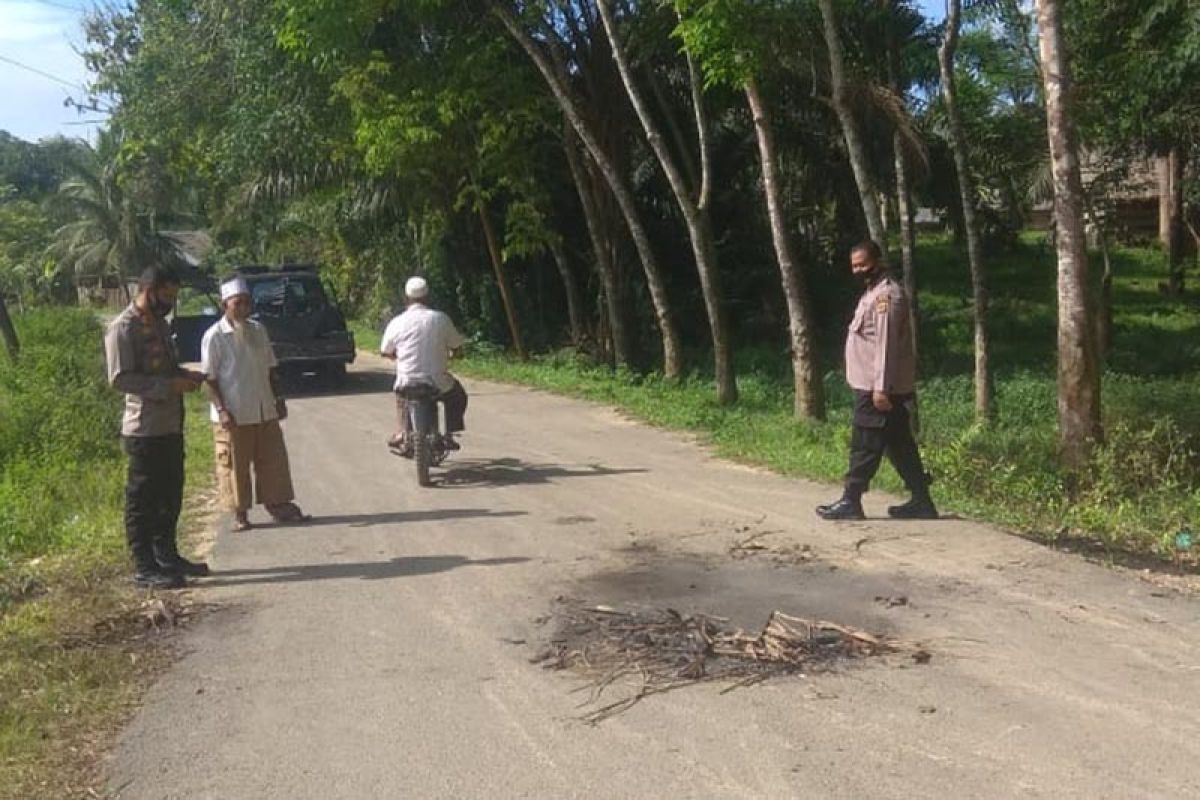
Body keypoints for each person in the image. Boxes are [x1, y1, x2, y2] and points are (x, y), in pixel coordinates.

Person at [104, 265, 209, 589]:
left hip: (170, 425)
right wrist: (168, 386)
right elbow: (120, 378)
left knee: (170, 493)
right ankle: (144, 566)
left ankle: (167, 555)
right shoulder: (122, 328)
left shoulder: (160, 325)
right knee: (143, 499)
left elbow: (165, 367)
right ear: (148, 289)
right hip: (144, 429)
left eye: (174, 297)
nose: (169, 302)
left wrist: (185, 375)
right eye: (166, 295)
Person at [816, 241, 938, 521]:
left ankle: (851, 500)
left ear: (878, 261)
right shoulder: (872, 293)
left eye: (863, 264)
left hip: (878, 388)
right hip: (873, 386)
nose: (859, 270)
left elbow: (886, 346)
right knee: (899, 444)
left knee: (865, 442)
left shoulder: (887, 296)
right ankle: (922, 501)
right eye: (854, 266)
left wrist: (881, 388)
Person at [201, 277, 309, 532]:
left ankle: (278, 506)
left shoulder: (258, 330)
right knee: (235, 466)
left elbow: (271, 370)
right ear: (225, 305)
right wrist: (222, 410)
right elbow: (210, 379)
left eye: (247, 303)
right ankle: (241, 514)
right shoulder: (214, 336)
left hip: (264, 409)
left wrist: (278, 399)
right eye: (238, 304)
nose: (243, 309)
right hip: (234, 414)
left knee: (273, 461)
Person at [381, 277, 468, 454]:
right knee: (458, 396)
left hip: (407, 381)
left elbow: (385, 350)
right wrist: (453, 355)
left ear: (406, 298)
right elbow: (457, 348)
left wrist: (397, 355)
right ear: (427, 296)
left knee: (401, 398)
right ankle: (450, 433)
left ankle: (403, 434)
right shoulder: (441, 319)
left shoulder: (397, 322)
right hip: (437, 381)